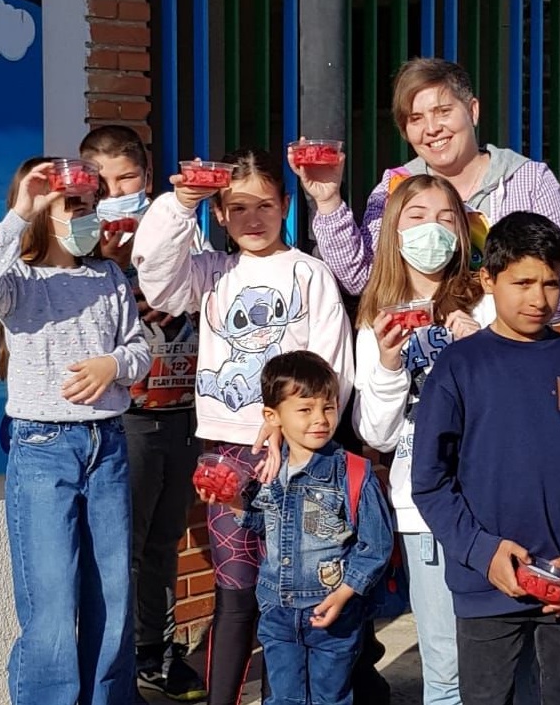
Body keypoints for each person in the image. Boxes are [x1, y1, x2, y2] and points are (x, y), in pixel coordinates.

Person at [134, 148, 355, 705]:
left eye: (264, 204)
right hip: (227, 455)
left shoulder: (311, 274)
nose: (252, 218)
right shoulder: (210, 271)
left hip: (301, 458)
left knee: (300, 590)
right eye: (236, 207)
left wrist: (294, 426)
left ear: (285, 205)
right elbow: (156, 276)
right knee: (234, 593)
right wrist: (181, 204)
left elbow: (331, 368)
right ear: (220, 214)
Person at [411, 212, 560, 705]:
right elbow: (429, 481)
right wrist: (482, 553)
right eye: (523, 282)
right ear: (488, 279)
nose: (539, 298)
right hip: (486, 586)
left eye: (551, 283)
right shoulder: (458, 367)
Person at [0, 157, 152, 705]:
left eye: (89, 207)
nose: (85, 216)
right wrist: (24, 211)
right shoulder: (18, 282)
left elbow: (139, 349)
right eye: (72, 206)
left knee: (112, 592)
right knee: (50, 601)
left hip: (106, 446)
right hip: (44, 450)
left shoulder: (109, 277)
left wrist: (113, 366)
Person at [351, 175, 494, 705]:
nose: (431, 229)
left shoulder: (486, 303)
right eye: (416, 216)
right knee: (445, 664)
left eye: (445, 217)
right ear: (393, 230)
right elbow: (376, 433)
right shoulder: (376, 318)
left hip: (492, 501)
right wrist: (389, 364)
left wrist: (482, 350)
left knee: (506, 653)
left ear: (462, 230)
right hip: (422, 507)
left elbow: (511, 407)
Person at [296, 58, 560, 315]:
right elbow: (362, 278)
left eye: (443, 111)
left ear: (472, 111)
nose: (432, 128)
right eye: (416, 118)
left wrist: (496, 315)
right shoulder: (394, 187)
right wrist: (329, 200)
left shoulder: (529, 180)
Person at [81, 126, 207, 702]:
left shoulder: (178, 232)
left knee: (164, 543)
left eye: (126, 178)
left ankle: (157, 652)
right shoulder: (84, 244)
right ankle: (119, 661)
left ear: (148, 178)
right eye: (102, 181)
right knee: (122, 549)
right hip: (125, 416)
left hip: (182, 410)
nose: (115, 190)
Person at [203, 352, 396, 705]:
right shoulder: (269, 473)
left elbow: (376, 545)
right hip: (276, 610)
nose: (320, 419)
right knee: (284, 698)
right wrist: (232, 503)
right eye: (305, 410)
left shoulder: (352, 473)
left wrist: (345, 593)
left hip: (332, 612)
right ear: (272, 417)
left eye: (329, 407)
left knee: (330, 698)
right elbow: (269, 527)